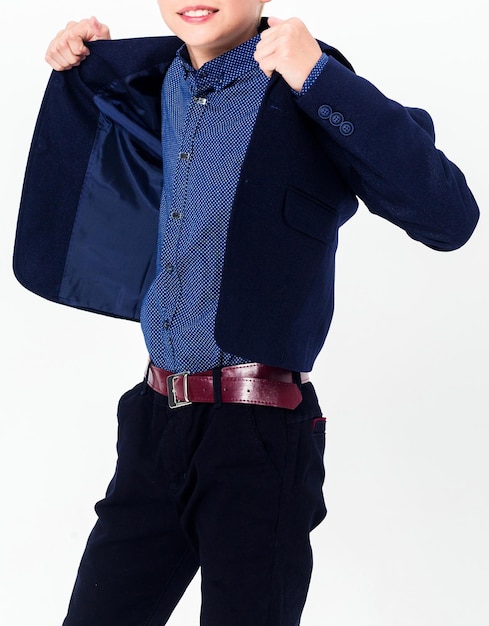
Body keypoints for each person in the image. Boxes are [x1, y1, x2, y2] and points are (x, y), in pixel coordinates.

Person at [13, 1, 479, 625]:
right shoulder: (159, 77)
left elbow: (449, 216)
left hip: (258, 439)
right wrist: (83, 57)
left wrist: (317, 77)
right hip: (155, 424)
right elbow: (111, 133)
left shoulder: (304, 81)